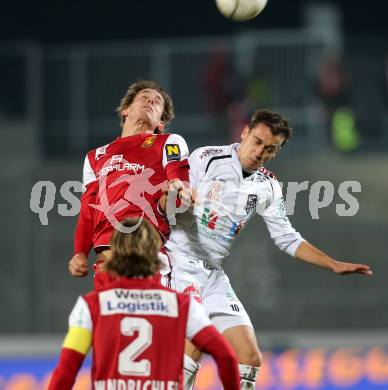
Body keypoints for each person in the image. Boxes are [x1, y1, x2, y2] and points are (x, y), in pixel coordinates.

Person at [164, 109, 373, 389]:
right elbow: (173, 191)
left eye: (270, 149)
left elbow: (286, 237)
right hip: (179, 263)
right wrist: (180, 195)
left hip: (212, 274)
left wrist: (332, 263)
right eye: (258, 142)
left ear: (277, 152)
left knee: (250, 358)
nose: (260, 152)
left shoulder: (267, 186)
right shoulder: (207, 157)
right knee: (196, 343)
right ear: (244, 133)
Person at [49, 218, 240, 390]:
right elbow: (227, 357)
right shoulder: (181, 306)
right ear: (156, 254)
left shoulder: (91, 306)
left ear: (114, 254)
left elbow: (66, 371)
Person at [68, 80, 191, 286]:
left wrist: (176, 190)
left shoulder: (168, 142)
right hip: (108, 259)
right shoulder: (95, 156)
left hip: (147, 253)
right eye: (144, 97)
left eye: (157, 102)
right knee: (109, 319)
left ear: (161, 123)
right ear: (126, 110)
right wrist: (80, 252)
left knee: (153, 318)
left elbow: (178, 181)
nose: (151, 101)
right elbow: (88, 209)